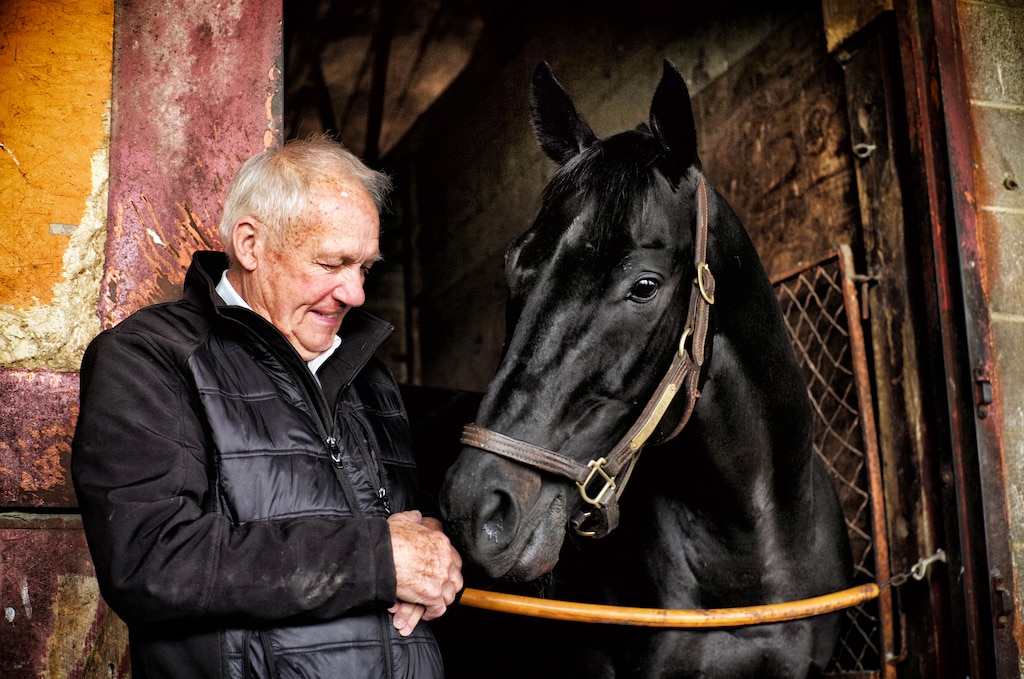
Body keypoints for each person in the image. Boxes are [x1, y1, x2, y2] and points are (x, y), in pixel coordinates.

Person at [72, 135, 463, 678]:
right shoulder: (152, 357)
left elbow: (404, 525)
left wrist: (434, 552)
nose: (356, 294)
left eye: (365, 268)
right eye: (332, 263)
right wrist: (376, 559)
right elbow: (151, 560)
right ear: (251, 244)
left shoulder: (369, 376)